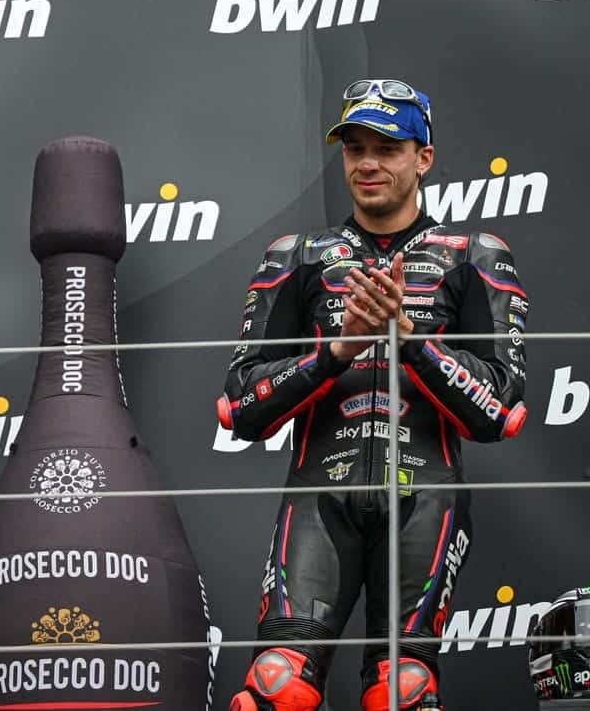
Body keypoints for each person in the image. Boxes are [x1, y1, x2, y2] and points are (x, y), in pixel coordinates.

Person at [219, 79, 530, 711]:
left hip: (426, 499)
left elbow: (500, 409)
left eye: (387, 147)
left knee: (404, 692)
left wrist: (410, 341)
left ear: (423, 157)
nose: (367, 163)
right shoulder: (298, 255)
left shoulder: (474, 255)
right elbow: (240, 408)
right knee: (277, 688)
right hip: (317, 499)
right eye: (354, 147)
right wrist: (336, 352)